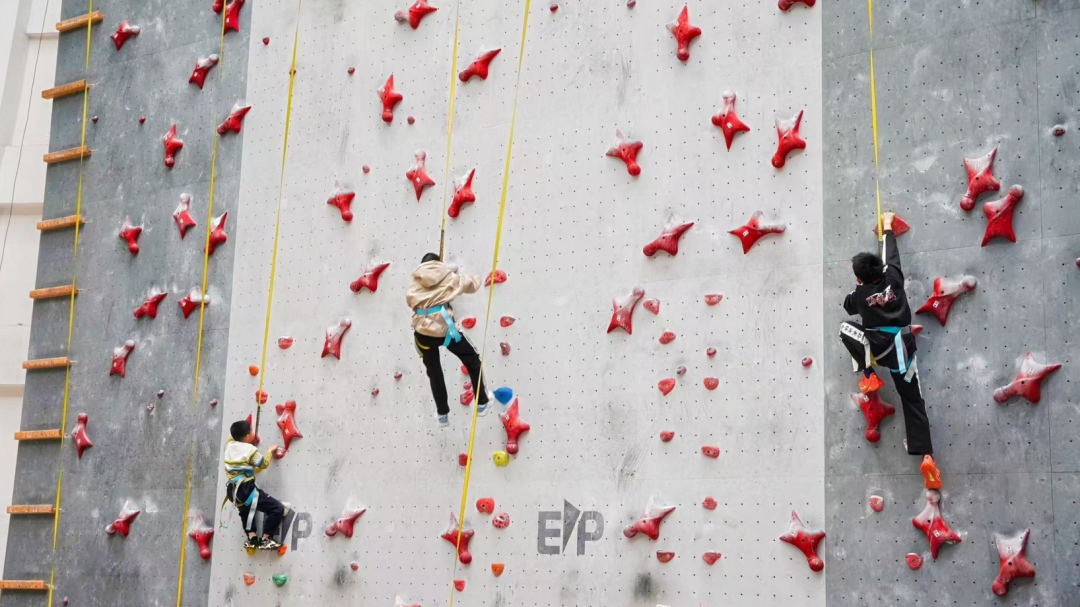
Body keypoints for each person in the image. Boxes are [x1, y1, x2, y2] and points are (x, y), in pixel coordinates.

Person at [840, 212, 940, 486]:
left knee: (845, 328)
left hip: (879, 348)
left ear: (860, 279)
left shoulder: (860, 295)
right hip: (903, 349)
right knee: (913, 400)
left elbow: (848, 307)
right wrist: (887, 226)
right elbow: (890, 255)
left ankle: (868, 373)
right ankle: (926, 455)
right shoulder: (893, 276)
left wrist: (858, 287)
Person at [406, 252, 491, 427]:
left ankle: (442, 415)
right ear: (439, 264)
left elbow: (410, 301)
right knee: (473, 360)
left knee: (434, 373)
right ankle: (482, 403)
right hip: (446, 332)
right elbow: (473, 284)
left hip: (423, 334)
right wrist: (453, 279)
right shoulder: (449, 278)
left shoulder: (415, 283)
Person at [223, 419, 286, 551]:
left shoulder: (228, 446)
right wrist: (269, 451)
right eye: (251, 430)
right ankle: (266, 539)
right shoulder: (249, 450)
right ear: (247, 436)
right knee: (277, 508)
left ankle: (252, 538)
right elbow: (263, 463)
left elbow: (232, 437)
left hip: (232, 490)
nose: (254, 432)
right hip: (246, 489)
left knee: (245, 510)